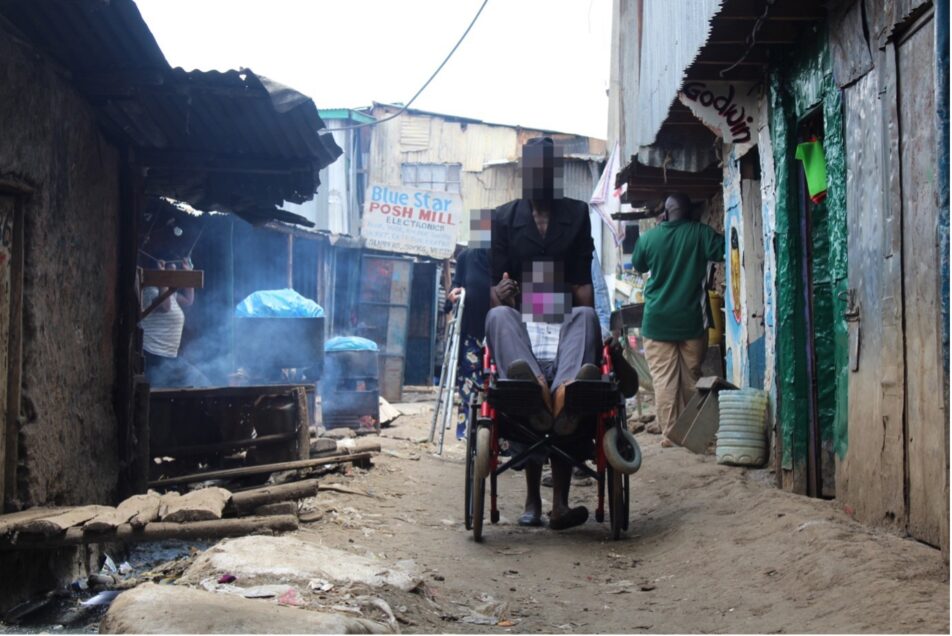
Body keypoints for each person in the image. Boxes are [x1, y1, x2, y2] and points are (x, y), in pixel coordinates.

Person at [486, 136, 601, 530]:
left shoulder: (577, 214)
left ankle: (560, 503)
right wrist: (501, 294)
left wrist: (549, 291)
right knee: (497, 318)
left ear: (557, 175)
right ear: (523, 174)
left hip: (565, 324)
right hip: (522, 327)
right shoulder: (501, 217)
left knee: (587, 317)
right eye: (533, 169)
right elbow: (493, 290)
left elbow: (584, 289)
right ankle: (533, 500)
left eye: (547, 170)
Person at [631, 192, 724, 446]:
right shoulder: (700, 233)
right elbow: (723, 248)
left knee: (664, 380)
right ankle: (692, 431)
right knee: (691, 378)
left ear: (665, 213)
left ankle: (671, 434)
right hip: (691, 321)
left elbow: (638, 264)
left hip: (657, 321)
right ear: (690, 212)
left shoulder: (650, 238)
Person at [445, 245, 491, 440]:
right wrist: (452, 296)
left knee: (497, 382)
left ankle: (500, 435)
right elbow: (453, 288)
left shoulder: (507, 256)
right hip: (471, 330)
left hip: (498, 331)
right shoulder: (466, 257)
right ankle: (466, 430)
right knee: (468, 381)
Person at [140, 257, 208, 387]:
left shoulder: (170, 294)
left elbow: (189, 300)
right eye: (172, 273)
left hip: (168, 356)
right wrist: (162, 276)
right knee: (197, 383)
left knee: (199, 383)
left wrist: (188, 272)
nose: (176, 276)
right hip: (154, 356)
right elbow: (165, 307)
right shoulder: (150, 291)